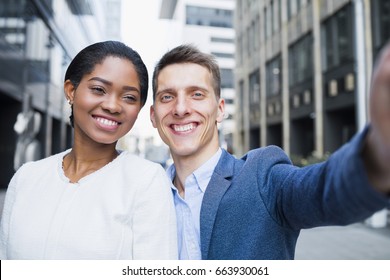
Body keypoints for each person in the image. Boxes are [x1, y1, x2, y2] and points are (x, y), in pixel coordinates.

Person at [150, 43, 390, 260]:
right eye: (167, 96)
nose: (180, 108)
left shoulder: (262, 178)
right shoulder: (147, 193)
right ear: (153, 115)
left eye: (197, 94)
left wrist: (377, 156)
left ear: (220, 110)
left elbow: (322, 190)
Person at [0, 41, 177, 260]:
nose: (113, 106)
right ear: (71, 91)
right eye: (98, 89)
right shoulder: (27, 178)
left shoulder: (146, 181)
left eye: (129, 97)